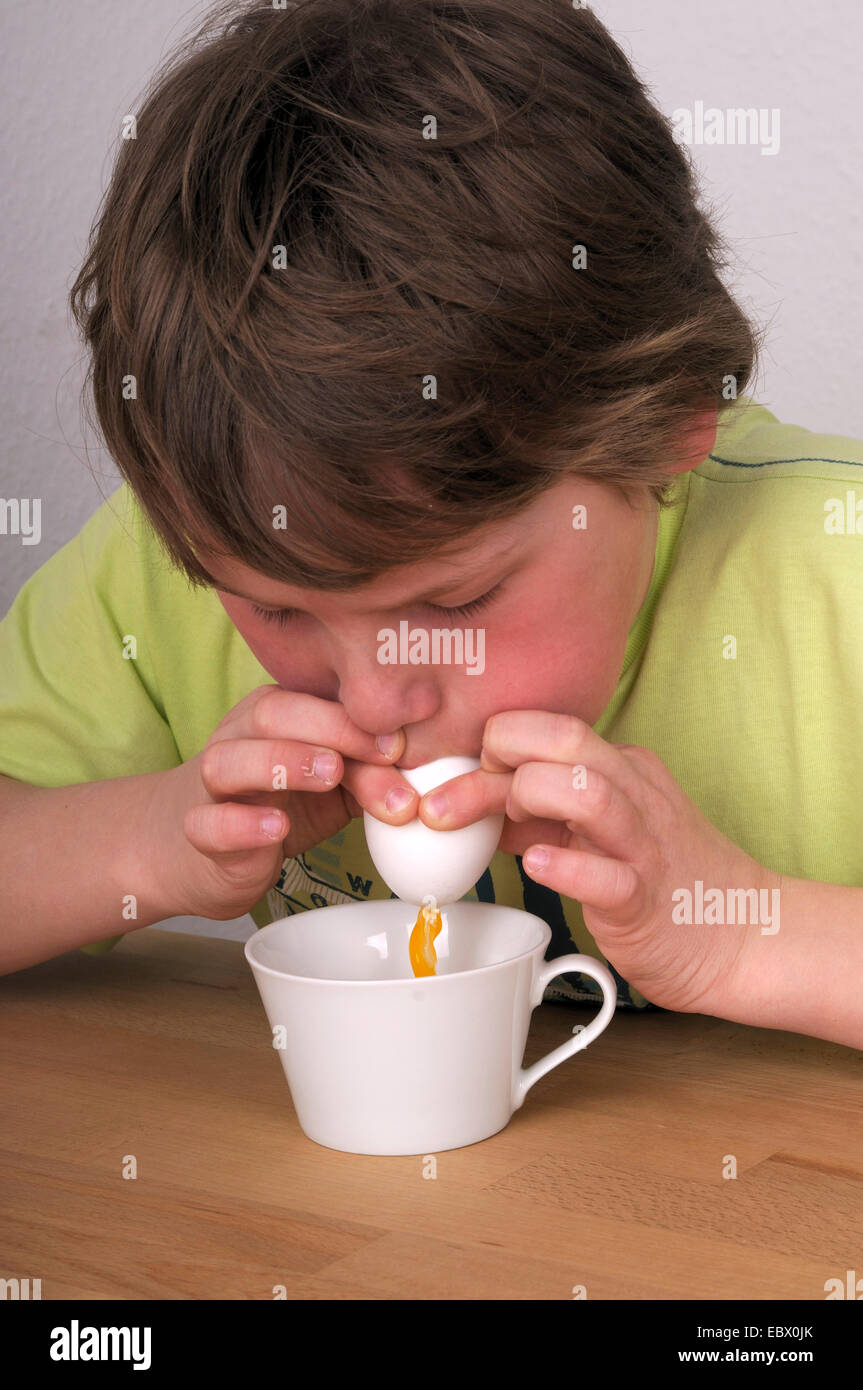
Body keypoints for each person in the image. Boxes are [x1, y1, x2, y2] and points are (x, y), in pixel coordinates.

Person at [1, 0, 861, 1049]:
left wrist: (745, 935)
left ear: (673, 418)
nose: (374, 700)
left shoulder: (835, 570)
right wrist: (147, 844)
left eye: (453, 597)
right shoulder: (184, 549)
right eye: (275, 608)